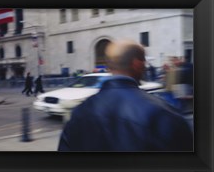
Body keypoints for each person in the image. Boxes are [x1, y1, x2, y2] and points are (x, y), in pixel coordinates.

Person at [58, 40, 193, 151]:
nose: (145, 67)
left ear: (109, 66)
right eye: (144, 62)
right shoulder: (164, 114)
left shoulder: (79, 112)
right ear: (137, 64)